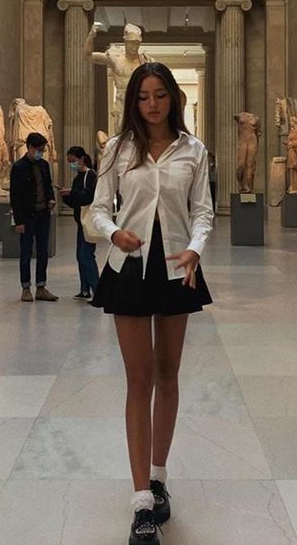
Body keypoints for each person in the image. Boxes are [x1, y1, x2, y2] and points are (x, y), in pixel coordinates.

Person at [89, 61, 213, 545]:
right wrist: (112, 231)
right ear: (133, 101)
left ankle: (159, 476)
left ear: (173, 98)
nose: (152, 104)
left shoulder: (194, 151)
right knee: (138, 380)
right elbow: (99, 208)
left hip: (177, 267)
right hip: (131, 269)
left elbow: (202, 212)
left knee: (168, 374)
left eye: (160, 94)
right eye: (143, 96)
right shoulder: (117, 150)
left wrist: (196, 250)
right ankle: (141, 500)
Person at [9, 131, 58, 302]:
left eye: (43, 150)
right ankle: (25, 287)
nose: (41, 152)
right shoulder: (19, 168)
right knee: (26, 252)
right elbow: (15, 197)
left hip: (43, 214)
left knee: (43, 251)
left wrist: (51, 199)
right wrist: (18, 221)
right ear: (29, 147)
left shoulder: (44, 165)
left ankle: (41, 286)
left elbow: (48, 186)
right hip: (27, 216)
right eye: (39, 149)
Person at [57, 146, 99, 299]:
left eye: (73, 161)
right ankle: (85, 289)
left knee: (86, 255)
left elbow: (89, 197)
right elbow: (75, 201)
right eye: (69, 162)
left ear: (81, 159)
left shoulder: (91, 176)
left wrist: (72, 193)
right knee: (80, 256)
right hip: (80, 221)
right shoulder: (77, 178)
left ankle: (97, 289)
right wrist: (66, 195)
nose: (71, 164)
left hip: (89, 221)